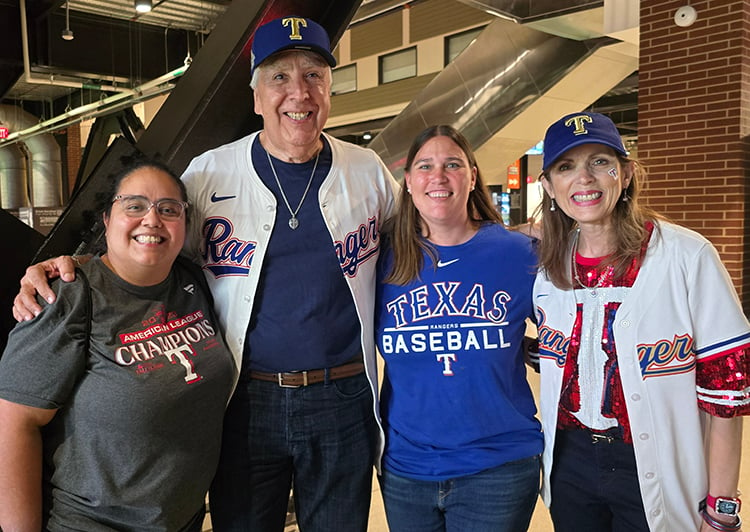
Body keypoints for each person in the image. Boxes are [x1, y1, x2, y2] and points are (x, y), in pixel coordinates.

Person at [12, 16, 398, 532]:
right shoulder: (209, 172)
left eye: (313, 76)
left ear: (330, 89)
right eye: (279, 77)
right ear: (256, 95)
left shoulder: (368, 170)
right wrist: (76, 267)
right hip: (244, 397)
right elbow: (155, 244)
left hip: (344, 396)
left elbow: (415, 248)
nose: (298, 92)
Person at [533, 111, 750, 532]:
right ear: (548, 186)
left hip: (655, 463)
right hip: (570, 463)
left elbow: (725, 397)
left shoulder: (688, 256)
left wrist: (721, 508)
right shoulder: (548, 269)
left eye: (600, 161)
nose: (585, 178)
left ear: (627, 173)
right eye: (566, 166)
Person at [0, 158, 237, 530]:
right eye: (134, 206)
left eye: (169, 209)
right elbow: (14, 424)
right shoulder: (69, 294)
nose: (152, 219)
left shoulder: (191, 281)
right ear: (107, 219)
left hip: (181, 521)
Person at [375, 125, 543, 532]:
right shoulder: (381, 260)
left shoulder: (518, 252)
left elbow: (576, 328)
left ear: (472, 176)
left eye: (452, 164)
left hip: (498, 465)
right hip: (406, 468)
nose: (439, 176)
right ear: (409, 182)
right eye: (425, 166)